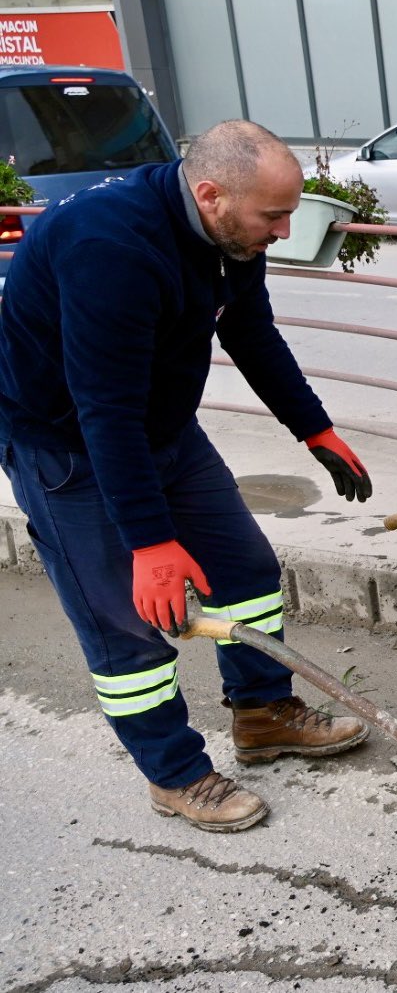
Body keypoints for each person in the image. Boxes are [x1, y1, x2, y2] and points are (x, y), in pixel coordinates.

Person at [0, 120, 374, 833]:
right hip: (68, 448)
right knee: (127, 626)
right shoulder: (110, 246)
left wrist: (313, 427)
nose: (284, 228)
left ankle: (263, 714)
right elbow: (102, 410)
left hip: (165, 430)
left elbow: (250, 329)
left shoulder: (234, 235)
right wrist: (150, 542)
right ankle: (174, 773)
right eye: (275, 215)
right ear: (211, 194)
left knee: (247, 569)